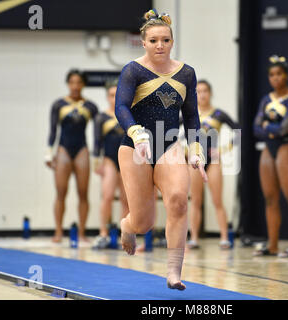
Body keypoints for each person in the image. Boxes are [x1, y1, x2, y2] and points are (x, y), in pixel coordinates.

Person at [114, 9, 207, 290]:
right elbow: (121, 106)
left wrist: (196, 149)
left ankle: (173, 273)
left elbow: (191, 116)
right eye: (153, 40)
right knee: (144, 223)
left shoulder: (186, 73)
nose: (160, 46)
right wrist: (136, 132)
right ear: (143, 42)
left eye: (165, 40)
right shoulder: (133, 70)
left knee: (179, 199)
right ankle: (127, 226)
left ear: (172, 41)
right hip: (134, 147)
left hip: (169, 144)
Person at [253, 55, 288, 258]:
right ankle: (273, 245)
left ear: (286, 75)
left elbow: (286, 128)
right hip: (270, 147)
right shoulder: (266, 100)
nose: (275, 78)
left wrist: (268, 127)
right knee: (270, 198)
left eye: (279, 74)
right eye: (271, 75)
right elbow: (255, 128)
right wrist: (271, 130)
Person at [45, 69, 98, 243]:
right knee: (61, 192)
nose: (75, 86)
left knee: (83, 193)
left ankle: (82, 233)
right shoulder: (59, 104)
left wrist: (98, 156)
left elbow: (98, 134)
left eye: (78, 82)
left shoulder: (90, 106)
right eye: (72, 82)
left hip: (82, 150)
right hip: (63, 150)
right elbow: (53, 130)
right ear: (68, 84)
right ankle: (58, 231)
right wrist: (48, 153)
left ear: (83, 84)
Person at [186, 79, 240, 250]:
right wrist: (182, 149)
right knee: (195, 200)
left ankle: (224, 237)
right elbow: (168, 129)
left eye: (205, 91)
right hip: (195, 159)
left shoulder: (218, 114)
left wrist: (224, 150)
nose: (202, 95)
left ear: (210, 93)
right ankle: (193, 237)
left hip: (213, 160)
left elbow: (239, 131)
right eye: (199, 91)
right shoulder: (190, 114)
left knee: (217, 200)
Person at [91, 79, 129, 249]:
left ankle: (124, 234)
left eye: (117, 94)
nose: (115, 98)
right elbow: (97, 142)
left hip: (127, 160)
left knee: (126, 199)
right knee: (106, 197)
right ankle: (103, 233)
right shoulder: (101, 117)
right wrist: (96, 163)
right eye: (112, 95)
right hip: (109, 160)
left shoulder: (129, 115)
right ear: (107, 97)